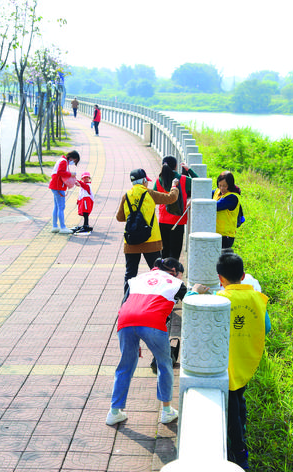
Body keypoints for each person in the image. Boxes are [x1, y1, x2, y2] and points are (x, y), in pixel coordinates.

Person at [191, 252, 270, 470]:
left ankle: (239, 451)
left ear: (220, 278)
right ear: (243, 275)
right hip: (246, 358)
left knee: (231, 409)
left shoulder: (220, 299)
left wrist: (193, 292)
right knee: (239, 398)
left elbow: (196, 316)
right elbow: (267, 327)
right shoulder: (257, 297)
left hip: (225, 361)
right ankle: (241, 432)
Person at [106, 257, 187, 426]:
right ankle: (166, 411)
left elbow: (125, 302)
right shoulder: (174, 282)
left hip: (125, 320)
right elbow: (190, 299)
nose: (181, 279)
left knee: (125, 366)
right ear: (174, 271)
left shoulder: (137, 279)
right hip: (152, 322)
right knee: (164, 364)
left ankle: (114, 412)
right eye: (181, 275)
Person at [116, 168, 179, 296]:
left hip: (131, 241)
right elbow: (171, 198)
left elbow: (119, 217)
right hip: (151, 240)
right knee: (158, 271)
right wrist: (174, 186)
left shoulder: (126, 196)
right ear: (144, 181)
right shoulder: (149, 193)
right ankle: (159, 299)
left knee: (130, 273)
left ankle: (126, 301)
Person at [153, 156, 198, 260]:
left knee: (164, 252)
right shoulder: (183, 179)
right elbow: (200, 183)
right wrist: (189, 170)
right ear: (176, 166)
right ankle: (173, 273)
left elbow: (154, 197)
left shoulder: (159, 181)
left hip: (163, 220)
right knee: (175, 253)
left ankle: (164, 273)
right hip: (178, 220)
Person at [49, 150, 80, 234]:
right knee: (61, 207)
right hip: (58, 187)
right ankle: (62, 227)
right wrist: (71, 174)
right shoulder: (63, 162)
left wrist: (73, 179)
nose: (73, 162)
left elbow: (62, 174)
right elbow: (60, 172)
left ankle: (55, 226)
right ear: (72, 157)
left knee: (57, 207)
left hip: (55, 186)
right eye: (74, 160)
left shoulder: (62, 160)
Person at [213, 171, 242, 249]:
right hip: (216, 232)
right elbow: (204, 193)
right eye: (220, 185)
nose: (222, 188)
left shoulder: (232, 198)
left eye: (225, 186)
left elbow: (214, 206)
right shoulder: (217, 191)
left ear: (230, 185)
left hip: (225, 236)